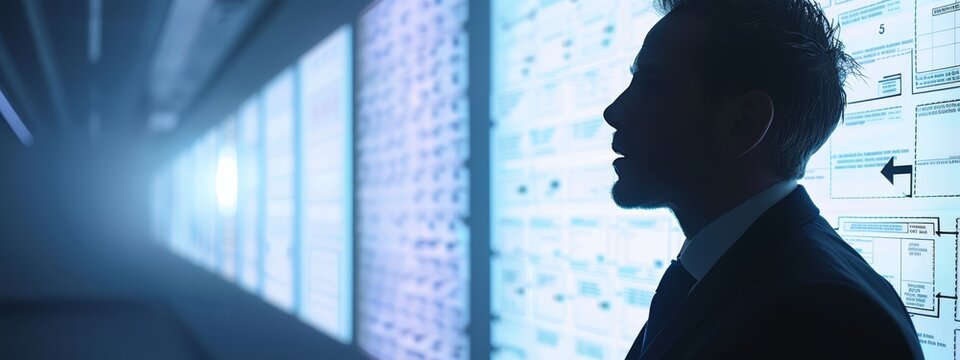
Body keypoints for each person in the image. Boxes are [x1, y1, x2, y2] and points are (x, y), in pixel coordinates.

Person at [603, 0, 924, 359]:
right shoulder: (746, 280)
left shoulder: (829, 319)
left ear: (744, 123)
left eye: (650, 83)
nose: (614, 112)